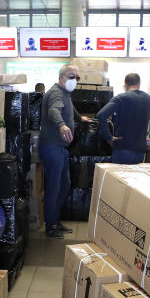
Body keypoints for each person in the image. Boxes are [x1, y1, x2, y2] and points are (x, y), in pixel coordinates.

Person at [39, 64, 90, 239]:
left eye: (77, 77)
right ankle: (51, 225)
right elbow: (54, 111)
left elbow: (70, 107)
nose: (75, 80)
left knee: (64, 185)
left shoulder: (65, 94)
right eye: (71, 76)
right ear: (62, 77)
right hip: (52, 147)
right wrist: (61, 125)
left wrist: (78, 117)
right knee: (54, 188)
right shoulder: (55, 93)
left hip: (60, 149)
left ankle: (55, 220)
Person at [96, 73, 150, 164]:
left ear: (125, 83)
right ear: (139, 84)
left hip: (122, 147)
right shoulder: (148, 99)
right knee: (133, 177)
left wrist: (108, 138)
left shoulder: (120, 98)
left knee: (118, 177)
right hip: (140, 150)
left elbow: (101, 115)